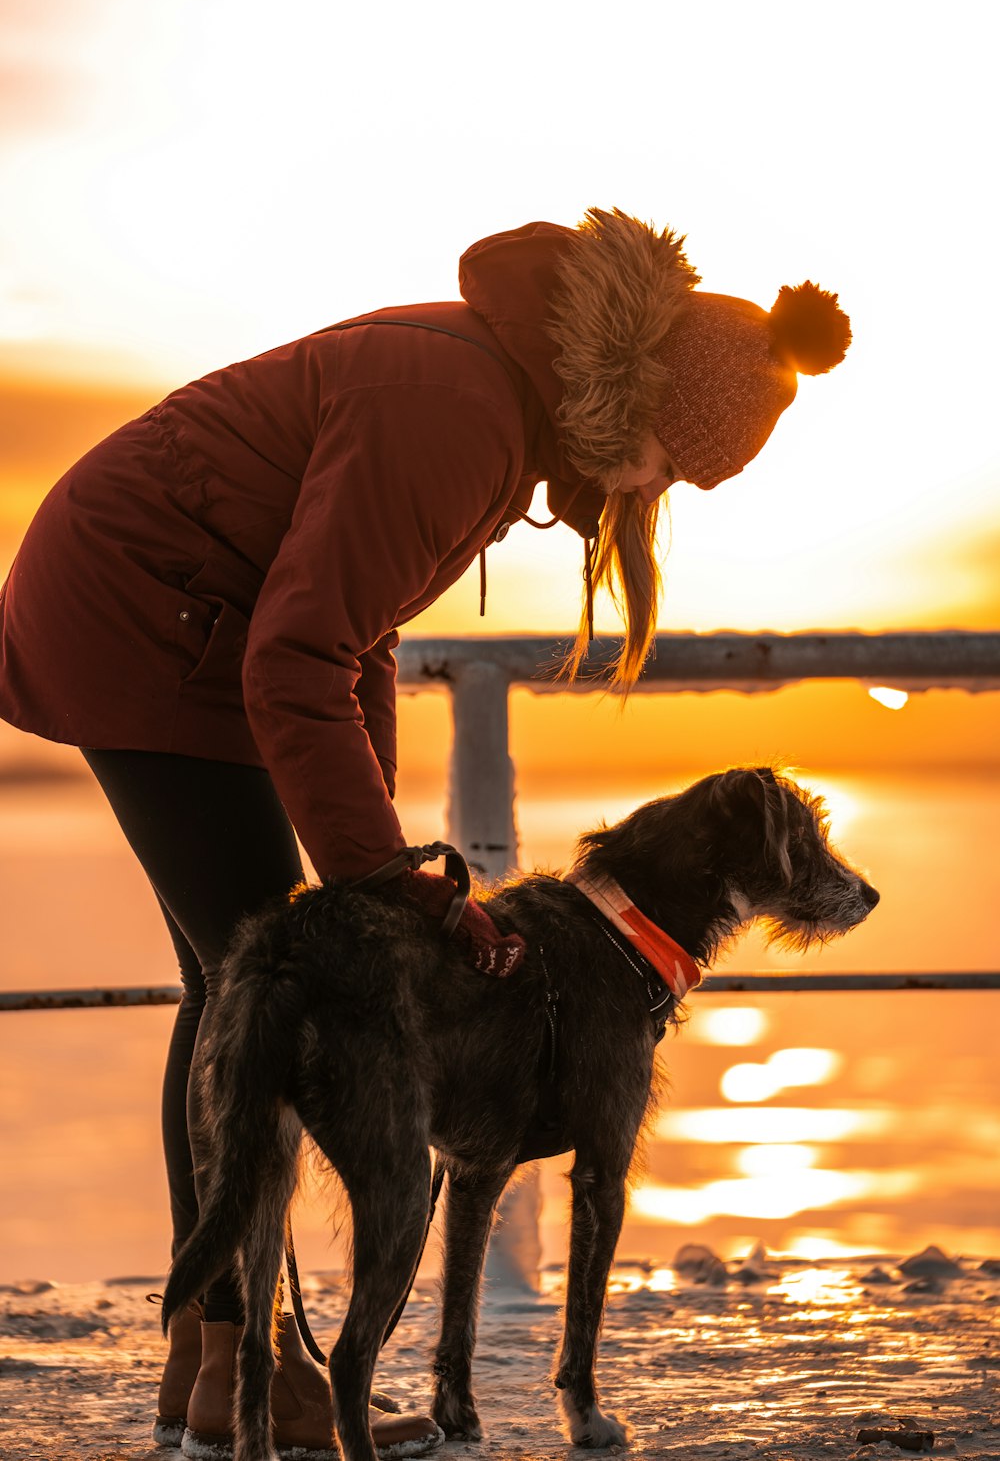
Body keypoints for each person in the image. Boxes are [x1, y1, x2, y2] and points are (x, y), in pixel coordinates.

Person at [0, 207, 851, 1457]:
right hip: (144, 611)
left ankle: (214, 1361)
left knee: (230, 980)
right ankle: (246, 1366)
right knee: (247, 979)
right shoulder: (459, 412)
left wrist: (386, 856)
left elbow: (363, 636)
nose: (659, 491)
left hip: (189, 614)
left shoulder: (499, 406)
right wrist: (387, 893)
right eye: (675, 464)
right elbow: (299, 655)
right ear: (645, 406)